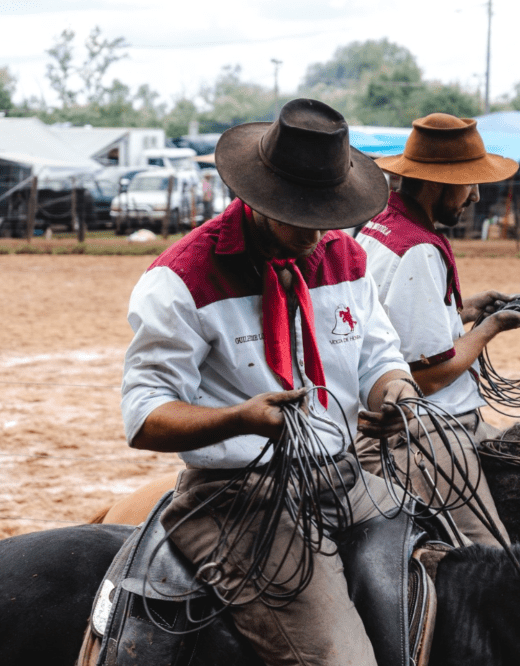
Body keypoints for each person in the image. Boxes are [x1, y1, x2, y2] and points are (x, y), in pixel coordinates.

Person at [121, 98, 419, 666]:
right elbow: (144, 415)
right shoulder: (182, 279)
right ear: (255, 199)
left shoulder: (347, 258)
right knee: (340, 660)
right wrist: (239, 418)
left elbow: (380, 358)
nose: (316, 233)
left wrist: (396, 395)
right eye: (298, 215)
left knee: (454, 571)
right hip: (240, 500)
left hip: (344, 477)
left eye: (328, 214)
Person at [354, 113, 520, 548]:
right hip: (424, 432)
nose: (475, 195)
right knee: (493, 559)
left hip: (421, 421)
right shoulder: (416, 249)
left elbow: (397, 321)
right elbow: (427, 376)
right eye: (470, 182)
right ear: (439, 183)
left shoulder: (382, 228)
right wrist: (490, 327)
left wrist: (466, 309)